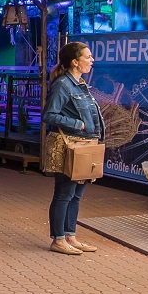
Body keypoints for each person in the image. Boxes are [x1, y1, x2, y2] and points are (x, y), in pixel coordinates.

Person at [44, 41, 104, 256]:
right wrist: (78, 124)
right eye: (87, 57)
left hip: (84, 144)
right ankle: (58, 239)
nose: (92, 60)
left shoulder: (80, 84)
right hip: (69, 144)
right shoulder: (63, 85)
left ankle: (71, 235)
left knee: (77, 194)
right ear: (75, 62)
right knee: (65, 193)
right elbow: (49, 115)